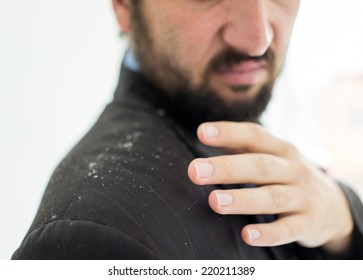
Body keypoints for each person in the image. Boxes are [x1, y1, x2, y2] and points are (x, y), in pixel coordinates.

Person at [12, 0, 363, 259]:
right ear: (123, 6)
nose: (258, 39)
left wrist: (344, 219)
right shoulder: (92, 237)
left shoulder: (235, 124)